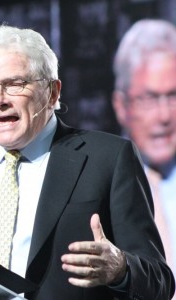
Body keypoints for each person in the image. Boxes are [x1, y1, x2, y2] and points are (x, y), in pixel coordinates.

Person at [0, 25, 175, 299]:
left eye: (14, 84)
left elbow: (160, 280)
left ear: (53, 92)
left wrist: (120, 268)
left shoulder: (108, 158)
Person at [112, 19, 176, 299]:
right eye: (149, 98)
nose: (164, 116)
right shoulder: (99, 186)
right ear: (121, 106)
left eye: (173, 96)